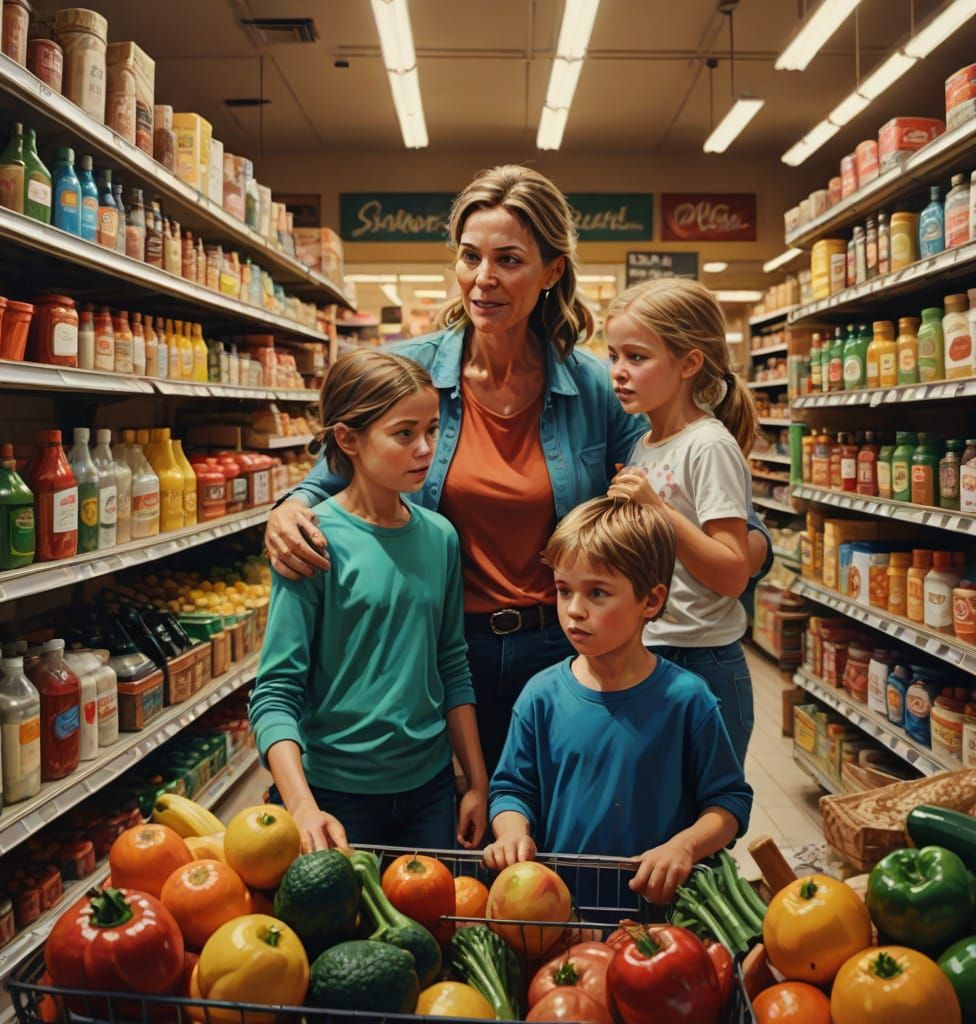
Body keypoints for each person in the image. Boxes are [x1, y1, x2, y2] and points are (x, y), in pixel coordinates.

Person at [264, 164, 771, 774]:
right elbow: (330, 474)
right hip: (440, 648)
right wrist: (289, 507)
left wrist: (747, 551)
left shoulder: (595, 388)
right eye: (470, 256)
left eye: (508, 260)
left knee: (547, 831)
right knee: (457, 826)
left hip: (565, 645)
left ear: (552, 272)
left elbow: (693, 488)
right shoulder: (411, 375)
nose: (483, 280)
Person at [249, 349, 487, 852]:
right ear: (349, 439)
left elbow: (451, 664)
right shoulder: (312, 541)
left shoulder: (441, 536)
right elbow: (275, 691)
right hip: (336, 795)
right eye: (404, 434)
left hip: (429, 791)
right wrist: (302, 806)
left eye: (432, 429)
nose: (425, 448)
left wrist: (478, 781)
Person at [483, 496, 752, 906]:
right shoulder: (540, 697)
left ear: (651, 600)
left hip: (659, 919)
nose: (574, 611)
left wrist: (685, 846)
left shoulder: (687, 700)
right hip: (558, 913)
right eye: (563, 590)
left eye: (597, 593)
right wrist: (512, 833)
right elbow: (511, 789)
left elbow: (729, 803)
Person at [606, 278, 760, 766]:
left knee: (701, 817)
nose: (618, 373)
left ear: (689, 363)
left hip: (703, 661)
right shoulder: (645, 445)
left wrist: (657, 510)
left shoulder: (708, 445)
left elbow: (734, 572)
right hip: (652, 649)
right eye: (613, 356)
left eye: (636, 357)